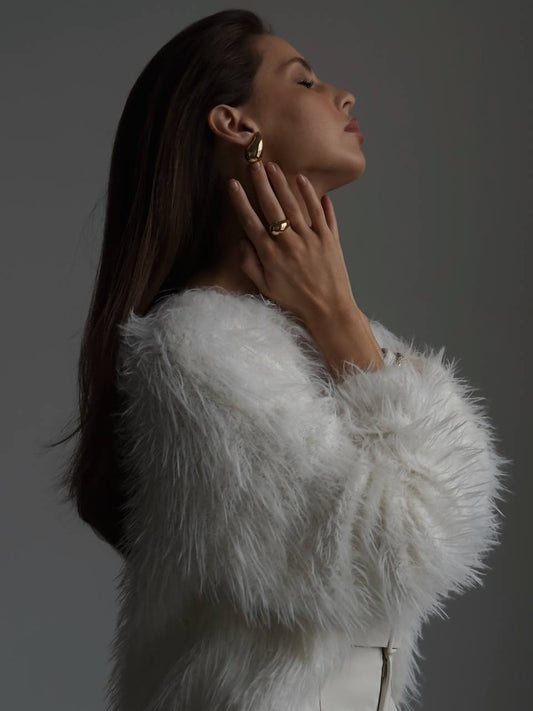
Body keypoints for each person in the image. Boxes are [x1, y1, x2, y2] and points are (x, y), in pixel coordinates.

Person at [51, 9, 510, 711]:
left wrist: (337, 317)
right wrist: (337, 318)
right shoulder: (195, 348)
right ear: (235, 124)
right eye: (304, 81)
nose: (343, 96)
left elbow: (464, 500)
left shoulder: (339, 333)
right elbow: (405, 546)